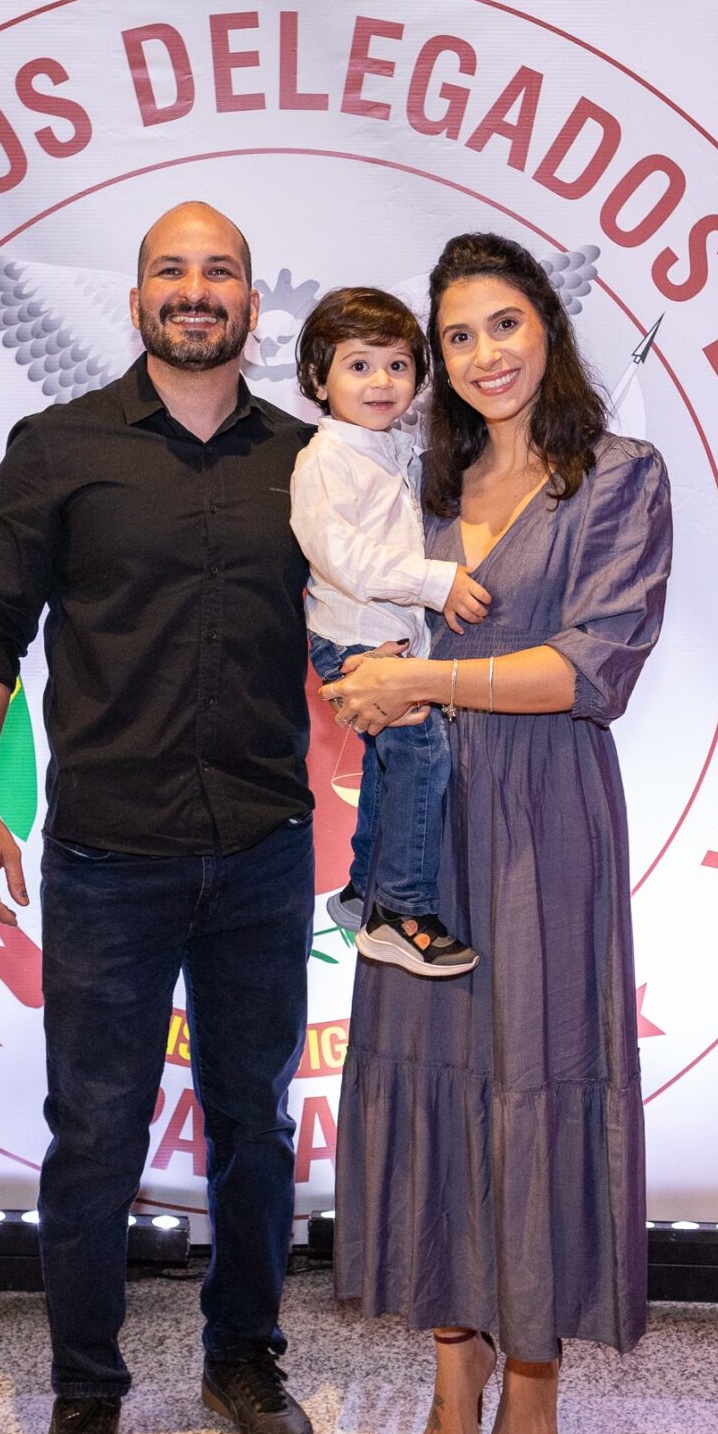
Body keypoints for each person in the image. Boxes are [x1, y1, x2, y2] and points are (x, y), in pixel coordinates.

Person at [0, 201, 319, 1434]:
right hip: (108, 858)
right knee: (95, 1132)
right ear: (139, 295)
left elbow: (365, 618)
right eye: (172, 269)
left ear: (252, 306)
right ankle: (86, 1388)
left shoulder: (310, 461)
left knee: (255, 1125)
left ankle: (242, 1358)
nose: (194, 289)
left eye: (219, 271)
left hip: (265, 852)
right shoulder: (58, 447)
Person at [319, 232, 672, 1434]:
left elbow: (593, 667)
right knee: (432, 1075)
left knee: (535, 1070)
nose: (483, 355)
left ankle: (532, 1362)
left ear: (547, 330)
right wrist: (363, 674)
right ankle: (450, 1360)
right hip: (419, 821)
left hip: (544, 817)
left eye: (503, 324)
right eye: (457, 336)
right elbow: (350, 614)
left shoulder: (617, 475)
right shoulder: (411, 481)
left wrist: (420, 680)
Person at [287, 285, 493, 976]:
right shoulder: (325, 460)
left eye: (398, 366)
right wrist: (437, 582)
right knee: (422, 755)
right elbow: (340, 557)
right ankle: (401, 911)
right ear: (318, 379)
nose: (381, 382)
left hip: (387, 633)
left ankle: (361, 889)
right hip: (353, 636)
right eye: (359, 366)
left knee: (391, 765)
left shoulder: (392, 447)